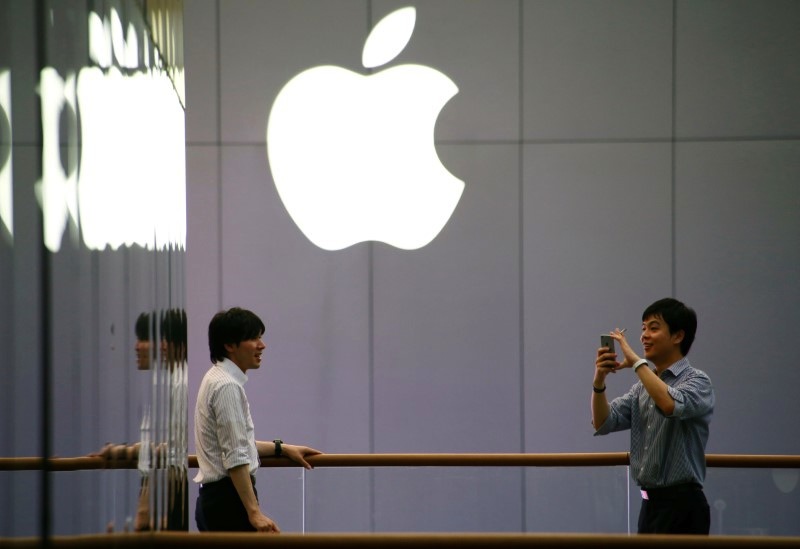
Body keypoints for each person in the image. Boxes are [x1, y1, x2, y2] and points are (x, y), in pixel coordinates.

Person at [591, 297, 714, 535]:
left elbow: (670, 405)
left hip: (683, 506)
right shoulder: (642, 387)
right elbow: (603, 422)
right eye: (643, 328)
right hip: (649, 505)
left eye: (653, 328)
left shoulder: (698, 380)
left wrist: (638, 363)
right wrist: (599, 380)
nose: (644, 336)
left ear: (678, 336)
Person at [194, 307, 322, 533]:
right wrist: (254, 512)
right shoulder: (227, 386)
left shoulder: (214, 377)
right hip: (228, 501)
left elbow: (234, 444)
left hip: (216, 500)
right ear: (229, 345)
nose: (262, 345)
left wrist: (281, 449)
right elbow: (235, 455)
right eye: (253, 338)